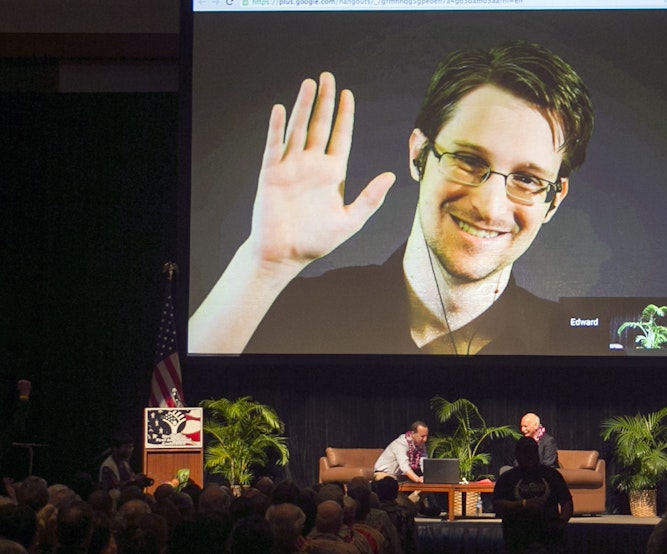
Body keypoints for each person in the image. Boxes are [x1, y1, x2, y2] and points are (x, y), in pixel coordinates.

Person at [189, 40, 594, 356]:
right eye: (468, 160)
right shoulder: (295, 307)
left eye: (526, 178)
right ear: (419, 154)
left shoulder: (577, 342)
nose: (489, 206)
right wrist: (263, 265)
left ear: (554, 201)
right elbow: (175, 404)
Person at [493, 436, 573, 554]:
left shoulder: (552, 475)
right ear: (517, 454)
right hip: (517, 537)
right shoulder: (507, 478)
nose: (529, 456)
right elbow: (497, 504)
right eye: (525, 452)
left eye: (532, 452)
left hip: (549, 538)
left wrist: (561, 522)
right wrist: (524, 504)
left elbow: (567, 502)